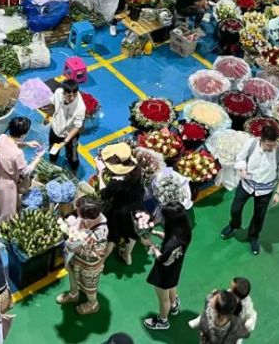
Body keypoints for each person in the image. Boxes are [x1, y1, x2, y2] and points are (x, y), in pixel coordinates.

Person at [221, 123, 279, 255]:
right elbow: (240, 158)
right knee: (235, 209)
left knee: (259, 216)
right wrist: (242, 167)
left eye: (274, 144)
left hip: (265, 190)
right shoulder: (251, 144)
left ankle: (253, 237)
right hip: (246, 185)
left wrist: (278, 193)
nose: (272, 147)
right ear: (261, 139)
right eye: (269, 145)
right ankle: (234, 225)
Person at [142, 201, 192, 330]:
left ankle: (162, 321)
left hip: (163, 273)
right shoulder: (185, 231)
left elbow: (163, 260)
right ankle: (174, 305)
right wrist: (157, 233)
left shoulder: (171, 245)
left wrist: (152, 246)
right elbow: (171, 238)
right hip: (176, 267)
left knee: (164, 299)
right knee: (172, 286)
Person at [58, 196, 108, 315]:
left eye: (79, 212)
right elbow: (77, 224)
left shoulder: (100, 231)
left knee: (89, 284)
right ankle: (73, 293)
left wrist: (77, 247)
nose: (77, 213)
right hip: (75, 257)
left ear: (89, 217)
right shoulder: (86, 218)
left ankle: (93, 304)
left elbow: (98, 253)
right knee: (72, 273)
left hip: (89, 263)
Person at [96, 142, 144, 264]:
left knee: (112, 237)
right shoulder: (136, 170)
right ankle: (127, 255)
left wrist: (100, 174)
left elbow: (104, 193)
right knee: (131, 233)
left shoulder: (117, 183)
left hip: (120, 212)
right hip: (137, 207)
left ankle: (101, 262)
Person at [0, 117, 43, 228]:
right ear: (23, 134)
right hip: (8, 185)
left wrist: (26, 144)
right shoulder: (17, 154)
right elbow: (25, 172)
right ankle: (0, 229)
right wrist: (38, 158)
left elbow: (11, 143)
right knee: (7, 210)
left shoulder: (2, 138)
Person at [188, 278, 257, 340]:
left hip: (229, 329)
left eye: (231, 288)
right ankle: (197, 321)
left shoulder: (246, 306)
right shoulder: (228, 295)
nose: (229, 289)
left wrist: (247, 325)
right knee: (207, 314)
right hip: (217, 326)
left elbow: (252, 316)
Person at [47, 81, 85, 173]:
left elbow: (77, 127)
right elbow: (52, 103)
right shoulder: (58, 92)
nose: (72, 98)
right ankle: (52, 164)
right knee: (53, 150)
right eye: (69, 95)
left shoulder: (80, 107)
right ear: (63, 92)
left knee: (73, 155)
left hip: (71, 136)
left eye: (74, 95)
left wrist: (65, 141)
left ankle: (74, 170)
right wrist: (48, 116)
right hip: (56, 130)